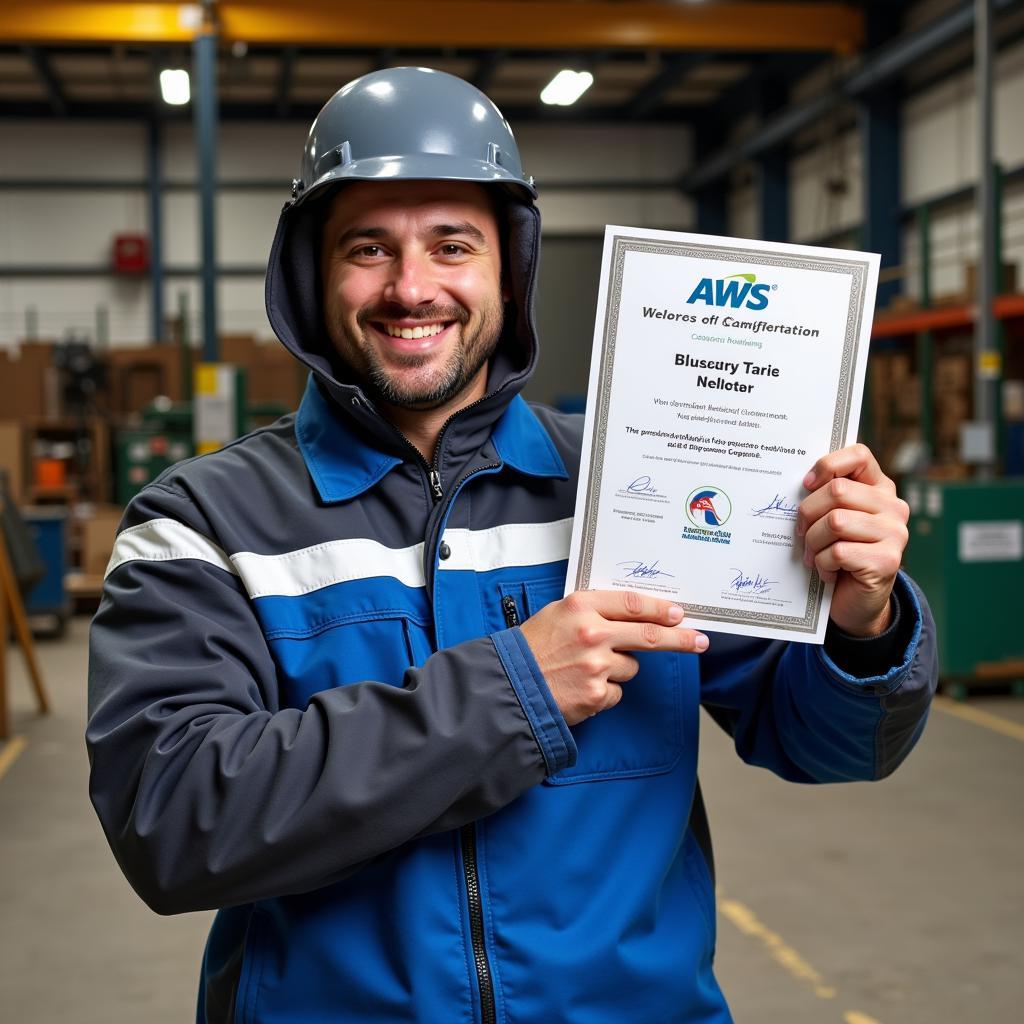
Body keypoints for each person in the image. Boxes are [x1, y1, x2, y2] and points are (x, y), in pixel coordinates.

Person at [87, 67, 937, 1024]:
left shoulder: (626, 485)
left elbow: (828, 745)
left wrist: (863, 620)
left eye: (453, 245)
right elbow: (174, 819)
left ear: (509, 271)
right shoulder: (202, 523)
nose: (412, 288)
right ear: (311, 274)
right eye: (369, 248)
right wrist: (515, 688)